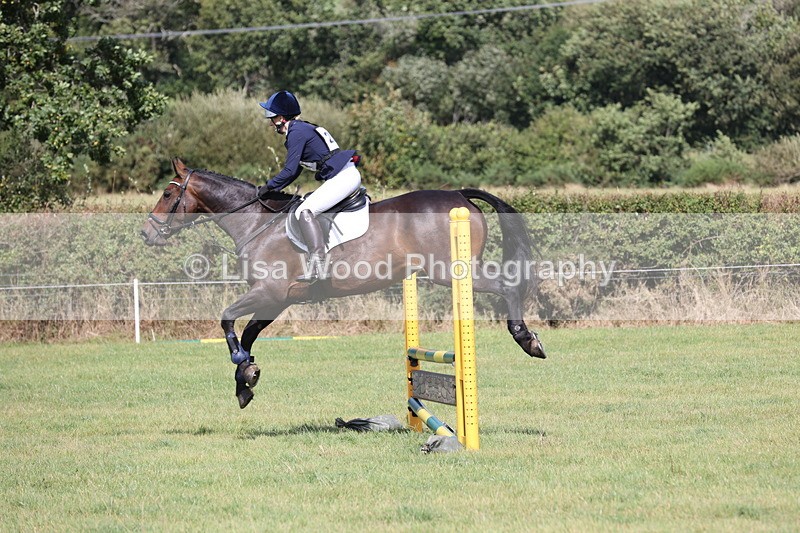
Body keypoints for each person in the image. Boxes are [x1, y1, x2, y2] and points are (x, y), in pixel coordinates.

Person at [257, 90, 361, 282]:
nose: (270, 123)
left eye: (271, 118)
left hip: (343, 177)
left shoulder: (296, 132)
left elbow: (289, 171)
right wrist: (274, 188)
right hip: (343, 175)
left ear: (280, 117)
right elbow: (295, 171)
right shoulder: (301, 128)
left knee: (304, 211)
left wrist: (268, 187)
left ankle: (319, 265)